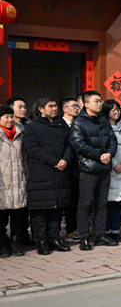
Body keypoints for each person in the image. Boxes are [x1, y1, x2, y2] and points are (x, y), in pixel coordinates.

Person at [23, 97, 73, 255]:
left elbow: (70, 145)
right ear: (41, 109)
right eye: (50, 106)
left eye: (55, 106)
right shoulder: (32, 126)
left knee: (56, 209)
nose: (54, 109)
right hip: (41, 174)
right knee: (40, 211)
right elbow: (32, 149)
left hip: (60, 173)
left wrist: (65, 159)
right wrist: (55, 161)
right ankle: (41, 242)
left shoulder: (61, 124)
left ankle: (54, 239)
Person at [70, 91, 118, 250]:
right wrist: (99, 156)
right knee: (85, 204)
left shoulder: (104, 121)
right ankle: (83, 238)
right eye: (96, 101)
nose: (100, 103)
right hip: (88, 169)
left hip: (104, 169)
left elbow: (113, 140)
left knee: (101, 204)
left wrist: (109, 154)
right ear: (86, 104)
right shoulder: (79, 122)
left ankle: (101, 235)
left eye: (100, 101)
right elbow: (79, 145)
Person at [0, 106, 27, 257]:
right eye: (6, 117)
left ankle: (15, 243)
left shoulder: (20, 132)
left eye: (11, 116)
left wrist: (26, 175)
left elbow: (25, 157)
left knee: (18, 215)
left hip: (18, 179)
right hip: (2, 181)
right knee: (1, 216)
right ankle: (2, 244)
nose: (10, 120)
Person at [102, 100, 121, 243]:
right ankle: (106, 231)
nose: (116, 112)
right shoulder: (103, 127)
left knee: (118, 201)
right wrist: (114, 164)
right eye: (113, 109)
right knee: (107, 202)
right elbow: (103, 148)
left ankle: (115, 231)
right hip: (109, 168)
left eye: (118, 109)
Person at [59, 96, 80, 241]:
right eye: (74, 106)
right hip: (63, 168)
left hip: (79, 170)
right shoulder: (59, 125)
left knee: (75, 203)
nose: (77, 108)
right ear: (65, 109)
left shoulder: (79, 123)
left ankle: (72, 231)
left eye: (78, 106)